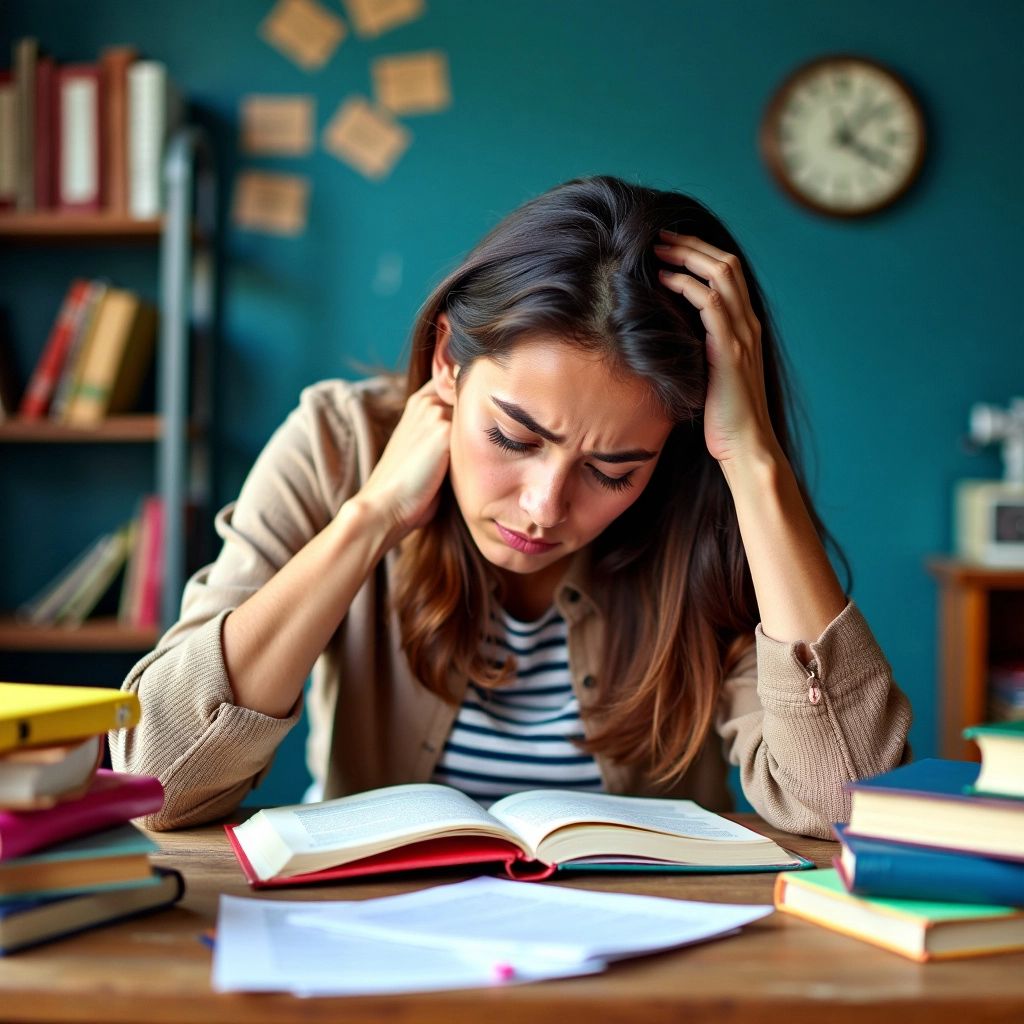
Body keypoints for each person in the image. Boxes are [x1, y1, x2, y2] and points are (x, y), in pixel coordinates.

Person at [112, 175, 911, 838]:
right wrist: (374, 513)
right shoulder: (339, 442)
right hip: (377, 938)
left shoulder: (709, 496)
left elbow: (851, 804)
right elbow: (158, 778)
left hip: (654, 952)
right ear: (447, 361)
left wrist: (754, 462)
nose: (542, 506)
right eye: (513, 436)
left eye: (613, 470)